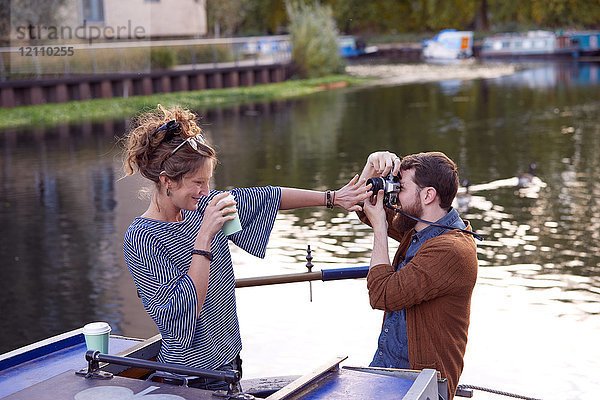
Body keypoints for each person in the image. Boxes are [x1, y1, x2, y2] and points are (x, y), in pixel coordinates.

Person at [121, 105, 370, 391]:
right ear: (167, 182)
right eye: (198, 183)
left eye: (208, 182)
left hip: (229, 360)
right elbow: (182, 313)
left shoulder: (202, 205)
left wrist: (333, 198)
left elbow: (267, 198)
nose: (206, 191)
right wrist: (204, 238)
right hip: (191, 377)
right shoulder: (142, 238)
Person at [357, 150, 478, 400]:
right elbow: (361, 205)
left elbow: (382, 295)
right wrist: (371, 167)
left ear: (428, 195)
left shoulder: (451, 249)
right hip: (386, 370)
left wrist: (380, 227)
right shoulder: (420, 227)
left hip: (422, 386)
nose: (394, 194)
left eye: (401, 187)